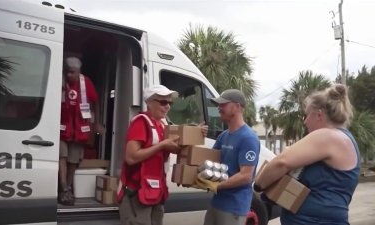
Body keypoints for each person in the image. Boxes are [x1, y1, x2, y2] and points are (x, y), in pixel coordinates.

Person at [254, 84, 359, 225]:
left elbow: (282, 162)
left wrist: (258, 186)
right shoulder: (343, 138)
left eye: (307, 115)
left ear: (319, 115)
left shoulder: (328, 136)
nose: (305, 121)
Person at [117, 84, 208, 225]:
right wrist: (162, 145)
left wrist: (195, 132)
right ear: (149, 102)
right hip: (137, 194)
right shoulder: (141, 122)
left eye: (170, 103)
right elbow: (131, 157)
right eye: (163, 102)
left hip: (155, 193)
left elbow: (176, 147)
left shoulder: (162, 125)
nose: (168, 107)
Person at [194, 89, 260, 225]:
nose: (219, 107)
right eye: (218, 105)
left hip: (234, 207)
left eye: (223, 104)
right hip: (217, 203)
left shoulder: (248, 138)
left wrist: (216, 186)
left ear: (237, 107)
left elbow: (246, 176)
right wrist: (195, 134)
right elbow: (208, 161)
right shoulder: (223, 136)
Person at [59, 57, 104, 205]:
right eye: (67, 72)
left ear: (79, 72)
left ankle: (69, 187)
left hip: (79, 130)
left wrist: (97, 123)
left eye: (72, 72)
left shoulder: (86, 83)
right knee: (62, 157)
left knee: (73, 161)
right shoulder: (60, 80)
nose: (69, 75)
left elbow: (96, 101)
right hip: (61, 129)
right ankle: (64, 189)